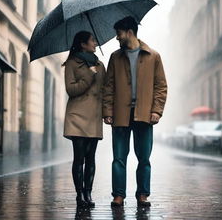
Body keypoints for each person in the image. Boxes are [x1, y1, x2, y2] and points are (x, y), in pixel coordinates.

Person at [103, 16, 167, 207]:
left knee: (144, 158)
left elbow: (161, 86)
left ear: (129, 32)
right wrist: (108, 111)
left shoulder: (153, 56)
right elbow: (108, 87)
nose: (117, 38)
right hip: (121, 114)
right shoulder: (115, 57)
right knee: (119, 158)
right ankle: (118, 195)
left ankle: (143, 195)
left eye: (119, 34)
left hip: (145, 114)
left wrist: (157, 110)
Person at [63, 31, 105, 208]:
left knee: (91, 157)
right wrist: (89, 75)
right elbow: (71, 90)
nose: (95, 43)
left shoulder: (100, 64)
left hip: (94, 116)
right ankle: (79, 195)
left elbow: (106, 89)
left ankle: (88, 193)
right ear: (83, 44)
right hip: (78, 117)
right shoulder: (72, 63)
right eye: (92, 40)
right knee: (79, 157)